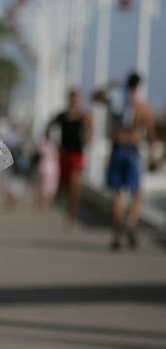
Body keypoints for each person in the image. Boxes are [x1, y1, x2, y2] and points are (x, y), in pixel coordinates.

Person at [101, 73, 156, 251]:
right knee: (136, 192)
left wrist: (111, 86)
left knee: (117, 194)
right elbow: (151, 134)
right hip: (133, 150)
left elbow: (96, 96)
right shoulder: (142, 107)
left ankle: (117, 234)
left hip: (117, 148)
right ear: (138, 86)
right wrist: (153, 157)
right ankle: (131, 222)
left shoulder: (117, 102)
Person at [46, 90, 92, 229]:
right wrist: (53, 143)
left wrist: (87, 139)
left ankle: (72, 214)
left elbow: (90, 130)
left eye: (76, 99)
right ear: (68, 100)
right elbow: (49, 127)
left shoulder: (83, 116)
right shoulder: (62, 116)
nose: (74, 101)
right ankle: (66, 210)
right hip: (64, 154)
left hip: (77, 154)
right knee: (65, 186)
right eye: (72, 99)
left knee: (75, 184)